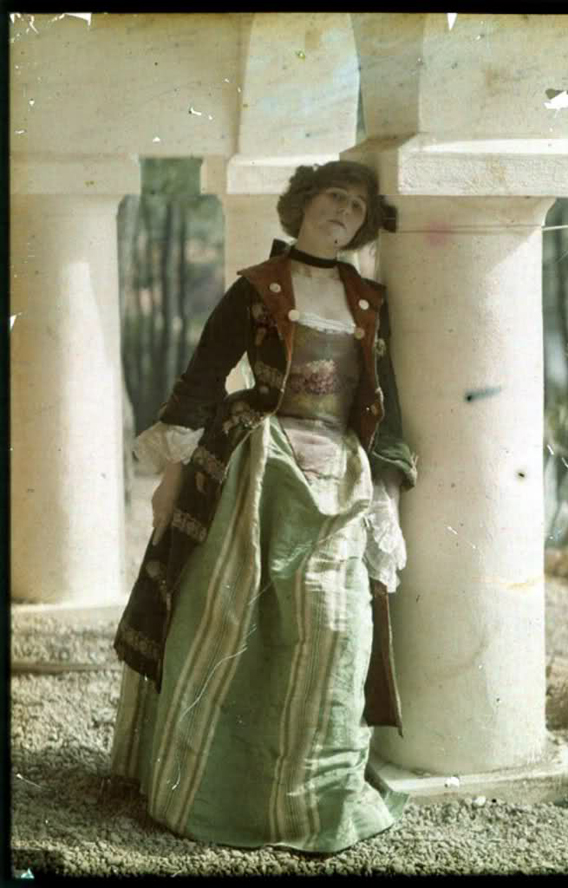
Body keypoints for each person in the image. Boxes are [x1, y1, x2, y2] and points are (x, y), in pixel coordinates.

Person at [111, 160, 417, 854]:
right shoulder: (255, 287)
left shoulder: (369, 301)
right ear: (303, 203)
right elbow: (202, 378)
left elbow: (386, 404)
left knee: (334, 628)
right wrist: (174, 469)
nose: (343, 212)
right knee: (227, 615)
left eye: (357, 207)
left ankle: (313, 802)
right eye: (334, 197)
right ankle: (208, 794)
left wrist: (387, 496)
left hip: (339, 471)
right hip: (258, 466)